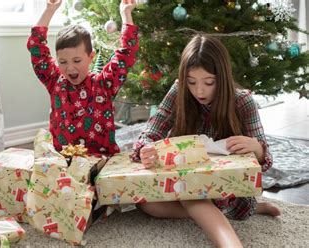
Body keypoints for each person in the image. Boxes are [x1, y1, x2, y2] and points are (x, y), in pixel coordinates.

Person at [131, 34, 281, 247]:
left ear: (223, 78)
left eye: (209, 82)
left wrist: (257, 148)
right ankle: (240, 211)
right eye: (191, 82)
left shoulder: (243, 101)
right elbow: (150, 131)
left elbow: (265, 160)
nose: (199, 91)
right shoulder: (179, 92)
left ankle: (231, 242)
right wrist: (147, 149)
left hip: (226, 190)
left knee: (189, 192)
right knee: (145, 204)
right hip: (183, 182)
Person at [27, 0, 139, 156]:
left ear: (90, 57)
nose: (70, 68)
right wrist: (49, 10)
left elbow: (126, 53)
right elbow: (36, 47)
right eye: (63, 62)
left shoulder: (104, 84)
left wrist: (126, 13)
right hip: (63, 157)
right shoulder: (55, 81)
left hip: (101, 159)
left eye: (77, 61)